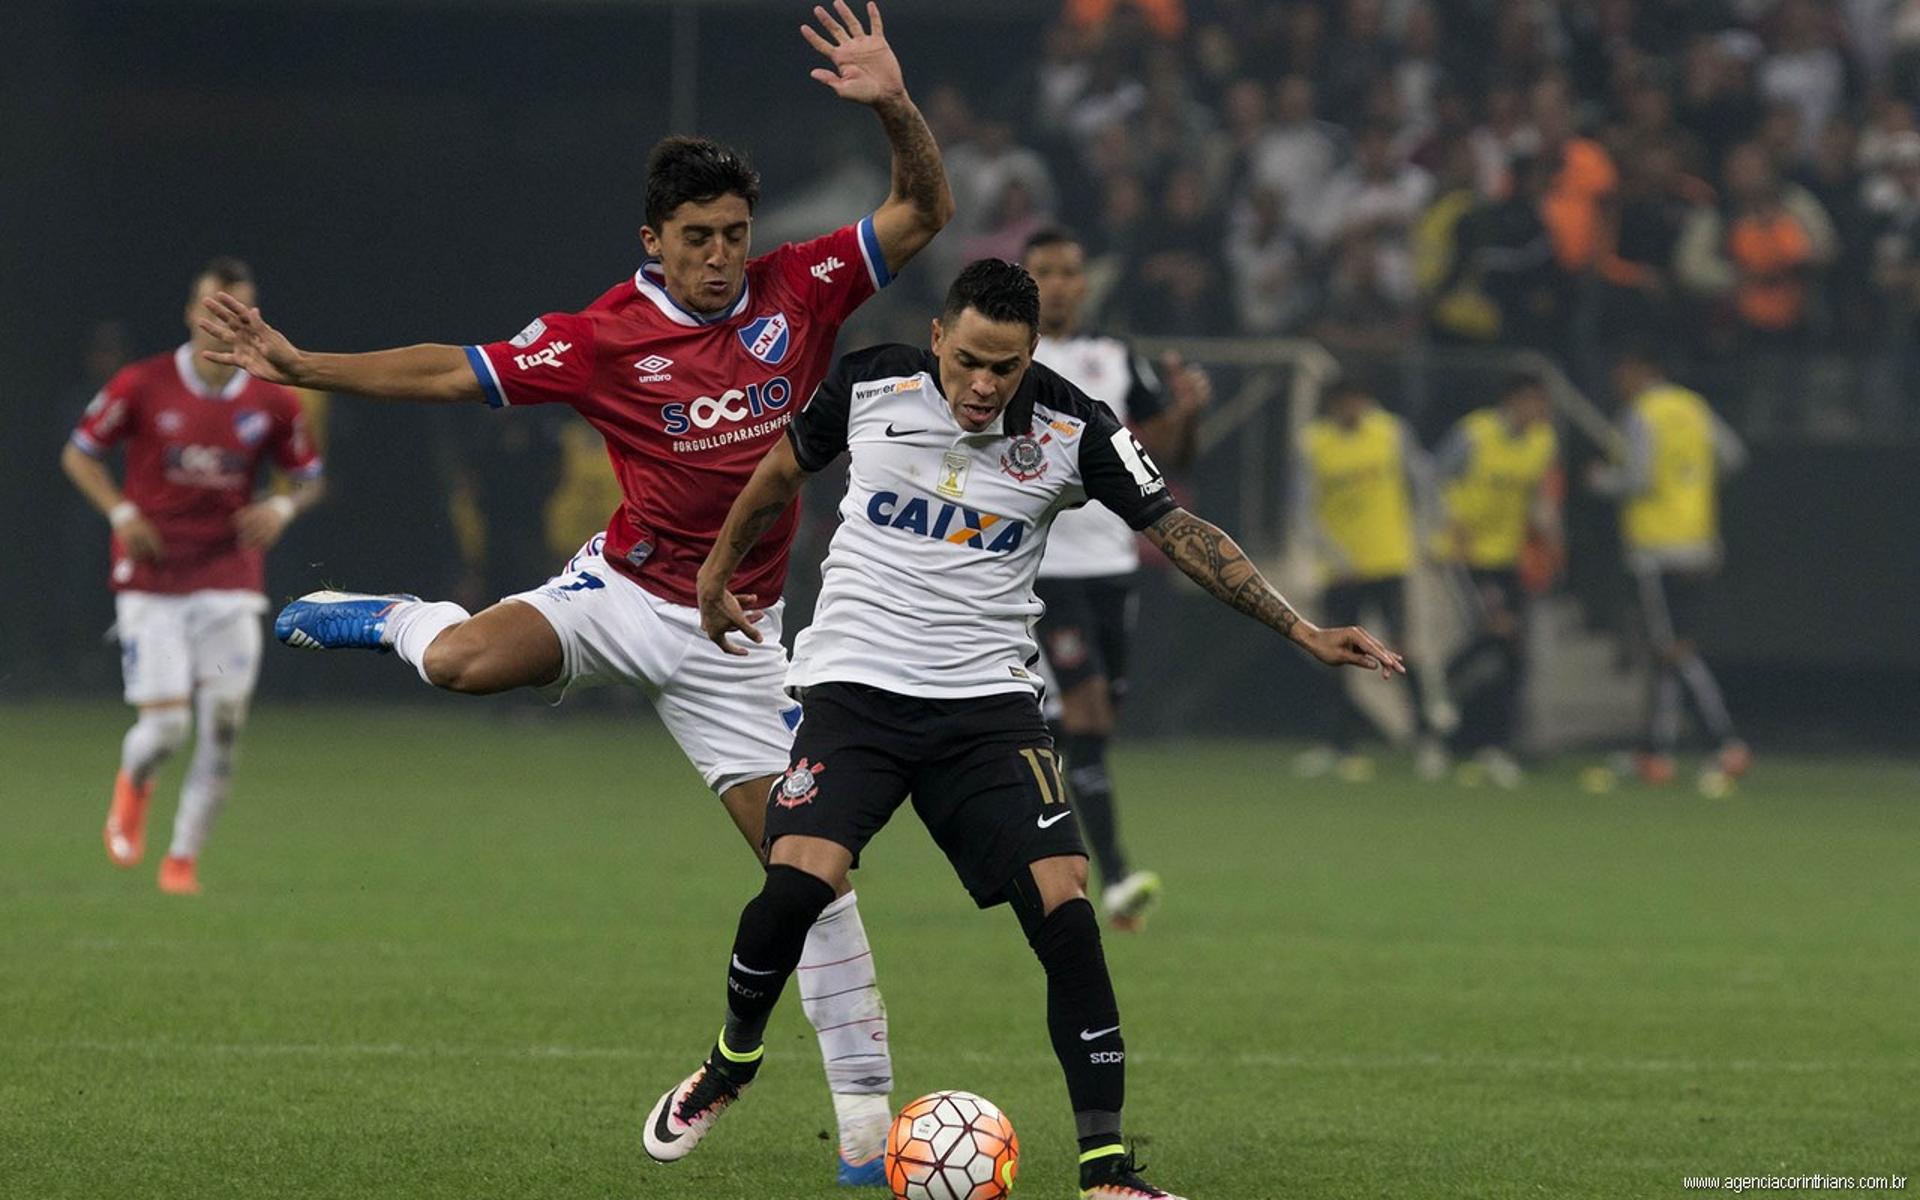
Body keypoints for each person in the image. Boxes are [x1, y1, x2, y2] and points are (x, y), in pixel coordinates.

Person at [195, 3, 951, 1183]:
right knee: (455, 666)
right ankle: (385, 616)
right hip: (622, 592)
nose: (719, 255)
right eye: (697, 235)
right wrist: (303, 364)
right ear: (653, 240)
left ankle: (862, 1144)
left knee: (813, 875)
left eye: (734, 233)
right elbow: (454, 371)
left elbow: (923, 211)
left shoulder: (799, 291)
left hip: (738, 640)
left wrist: (894, 104)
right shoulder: (603, 337)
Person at [640, 260, 1403, 1200]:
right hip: (855, 692)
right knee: (799, 882)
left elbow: (1178, 529)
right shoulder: (868, 381)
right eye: (966, 362)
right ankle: (731, 1062)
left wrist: (1302, 629)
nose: (983, 386)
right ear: (936, 338)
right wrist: (716, 572)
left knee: (1067, 909)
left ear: (1031, 354)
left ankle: (1106, 1169)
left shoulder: (1076, 425)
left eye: (1004, 367)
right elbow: (776, 472)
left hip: (987, 713)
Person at [61, 257, 326, 895]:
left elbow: (310, 477)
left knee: (226, 723)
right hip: (152, 577)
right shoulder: (142, 384)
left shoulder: (271, 398)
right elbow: (80, 453)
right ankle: (135, 784)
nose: (227, 320)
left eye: (241, 309)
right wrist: (123, 512)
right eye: (216, 307)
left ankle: (182, 859)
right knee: (167, 728)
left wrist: (281, 506)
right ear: (192, 313)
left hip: (229, 577)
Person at [1020, 225, 1210, 930]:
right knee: (1090, 712)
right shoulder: (1007, 356)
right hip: (1042, 571)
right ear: (1025, 277)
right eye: (1046, 270)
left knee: (1084, 727)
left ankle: (1025, 824)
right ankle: (1116, 875)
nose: (1062, 283)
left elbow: (1169, 458)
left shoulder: (1113, 357)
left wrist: (1188, 413)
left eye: (1071, 270)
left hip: (1113, 567)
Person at [1590, 346, 1751, 786]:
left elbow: (1638, 478)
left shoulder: (1641, 413)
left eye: (1621, 372)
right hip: (1698, 542)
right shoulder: (1693, 406)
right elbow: (1734, 456)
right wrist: (1692, 486)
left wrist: (1601, 480)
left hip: (1655, 548)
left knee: (1672, 650)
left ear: (1640, 370)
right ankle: (1655, 753)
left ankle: (1727, 743)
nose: (1617, 383)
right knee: (1668, 652)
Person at [1291, 379, 1446, 781]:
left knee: (1401, 651)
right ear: (1333, 405)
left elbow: (1423, 482)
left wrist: (1428, 533)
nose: (1354, 409)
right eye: (1346, 402)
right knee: (1335, 656)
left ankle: (1428, 740)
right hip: (1341, 571)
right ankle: (1339, 746)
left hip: (1389, 561)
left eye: (1360, 400)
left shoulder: (1391, 433)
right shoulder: (1313, 444)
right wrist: (1335, 555)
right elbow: (1304, 508)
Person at [1432, 373, 1561, 787]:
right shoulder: (1474, 434)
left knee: (1509, 651)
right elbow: (1432, 480)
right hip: (1467, 556)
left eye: (1541, 404)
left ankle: (1480, 738)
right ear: (1510, 402)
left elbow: (1538, 495)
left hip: (1507, 556)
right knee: (1502, 633)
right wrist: (1450, 523)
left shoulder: (1543, 441)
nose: (1537, 412)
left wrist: (1550, 533)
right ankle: (1447, 718)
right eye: (1530, 402)